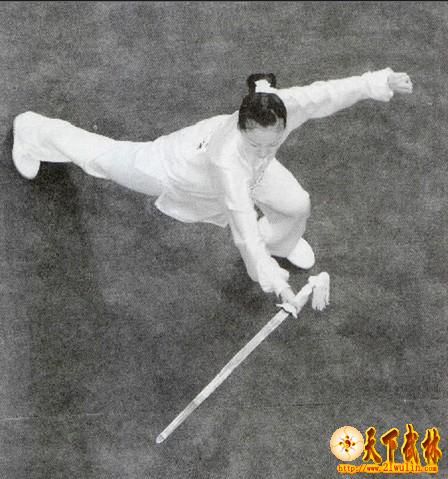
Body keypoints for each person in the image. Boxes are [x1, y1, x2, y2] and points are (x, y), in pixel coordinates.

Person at [12, 68, 412, 314]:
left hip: (254, 175)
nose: (266, 149)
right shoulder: (227, 159)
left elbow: (327, 93)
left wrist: (377, 82)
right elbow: (243, 227)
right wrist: (276, 282)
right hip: (176, 172)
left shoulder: (282, 107)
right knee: (104, 159)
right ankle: (33, 131)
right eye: (256, 143)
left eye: (273, 141)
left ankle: (281, 242)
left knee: (296, 204)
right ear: (241, 128)